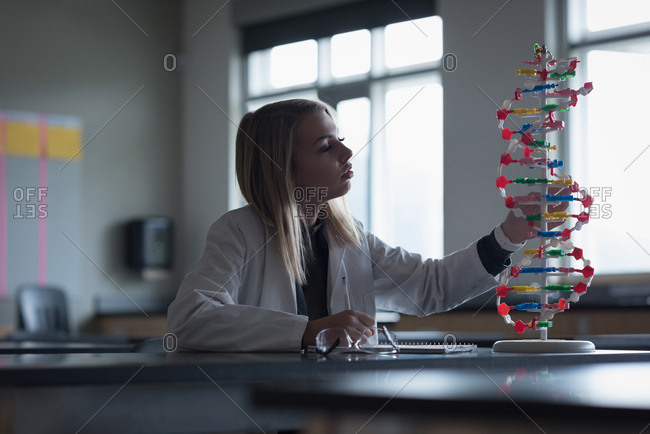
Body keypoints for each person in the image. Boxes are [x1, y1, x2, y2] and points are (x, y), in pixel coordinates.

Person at [166, 99, 561, 352]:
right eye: (326, 147)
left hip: (344, 405)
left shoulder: (349, 236)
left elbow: (431, 286)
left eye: (340, 139)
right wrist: (308, 331)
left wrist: (509, 235)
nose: (347, 152)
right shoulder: (238, 232)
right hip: (268, 407)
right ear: (283, 167)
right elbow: (190, 320)